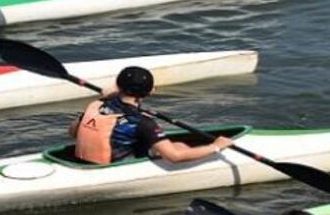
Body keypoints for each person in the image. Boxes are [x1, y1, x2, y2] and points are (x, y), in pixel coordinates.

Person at [69, 65, 233, 164]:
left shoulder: (97, 105)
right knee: (179, 148)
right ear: (151, 91)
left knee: (172, 145)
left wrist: (107, 97)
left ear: (117, 85)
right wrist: (216, 146)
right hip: (115, 165)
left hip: (87, 159)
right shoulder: (143, 122)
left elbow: (73, 132)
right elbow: (174, 157)